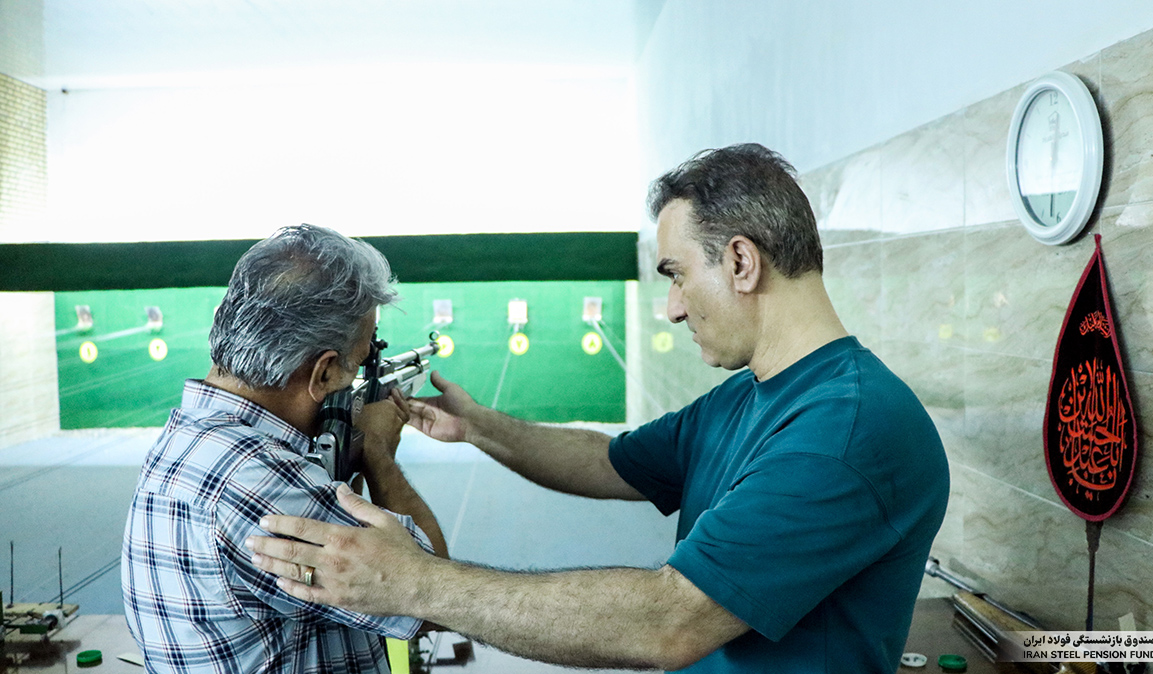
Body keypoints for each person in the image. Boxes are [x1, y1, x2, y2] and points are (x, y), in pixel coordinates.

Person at [246, 144, 950, 672]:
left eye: (676, 275)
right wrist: (479, 426)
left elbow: (670, 622)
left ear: (741, 262)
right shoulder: (750, 396)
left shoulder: (846, 431)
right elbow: (610, 461)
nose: (672, 308)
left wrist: (415, 582)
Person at [122, 224, 447, 674]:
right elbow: (434, 600)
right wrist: (378, 455)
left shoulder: (187, 441)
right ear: (325, 374)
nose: (363, 368)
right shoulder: (263, 479)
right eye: (363, 355)